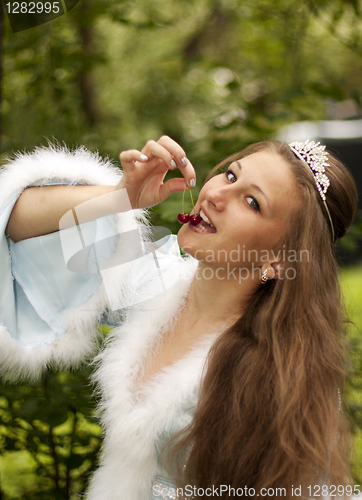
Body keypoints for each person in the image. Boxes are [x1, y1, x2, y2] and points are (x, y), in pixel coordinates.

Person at [0, 136, 358, 500]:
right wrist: (120, 197)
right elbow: (15, 224)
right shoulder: (154, 280)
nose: (217, 195)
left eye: (252, 202)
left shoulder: (282, 376)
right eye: (231, 176)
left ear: (279, 260)